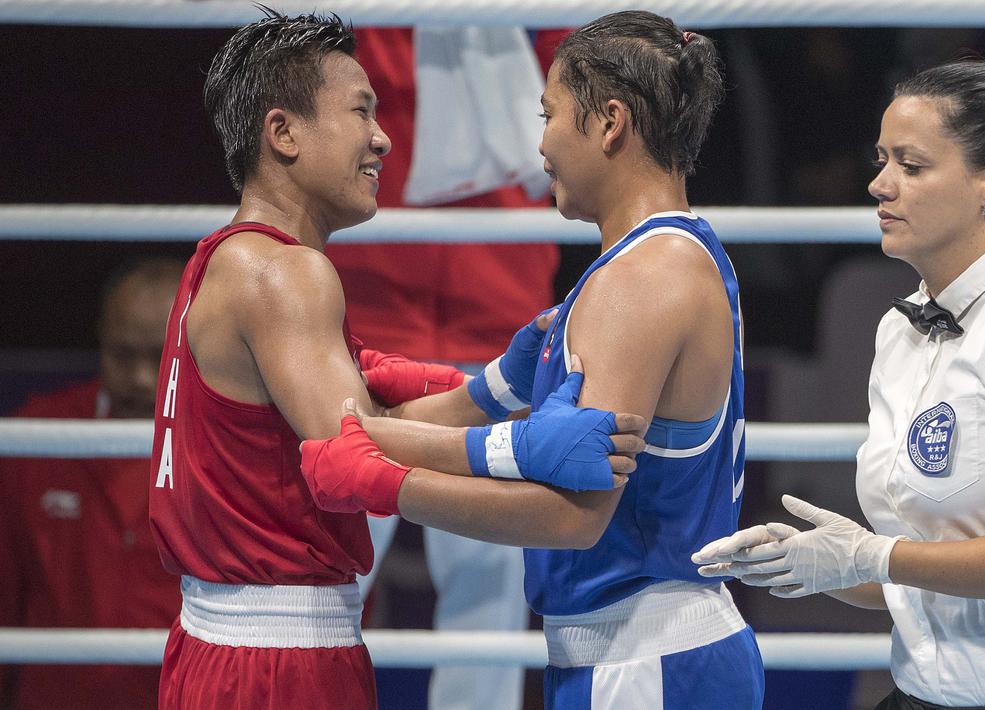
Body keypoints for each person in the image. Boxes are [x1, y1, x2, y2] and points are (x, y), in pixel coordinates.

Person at [149, 10, 643, 709]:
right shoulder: (285, 277)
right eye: (360, 111)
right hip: (273, 665)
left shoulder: (235, 257)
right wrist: (521, 453)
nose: (383, 139)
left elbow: (363, 417)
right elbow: (354, 458)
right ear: (283, 132)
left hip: (232, 647)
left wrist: (498, 388)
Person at [315, 10, 765, 708]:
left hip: (646, 662)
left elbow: (572, 516)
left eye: (550, 113)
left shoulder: (642, 278)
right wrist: (436, 407)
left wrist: (379, 465)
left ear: (609, 122)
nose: (541, 142)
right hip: (626, 654)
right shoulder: (648, 261)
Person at [695, 60, 985, 709]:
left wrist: (872, 555)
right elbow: (921, 572)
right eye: (881, 160)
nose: (879, 184)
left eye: (910, 166)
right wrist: (816, 564)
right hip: (921, 692)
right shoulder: (898, 330)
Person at [330, 26, 570, 710]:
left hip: (499, 317)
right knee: (327, 567)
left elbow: (600, 68)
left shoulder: (538, 17)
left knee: (489, 580)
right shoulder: (365, 23)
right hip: (364, 319)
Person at [0, 259, 183, 710]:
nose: (141, 378)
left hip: (180, 695)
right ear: (100, 336)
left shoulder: (228, 442)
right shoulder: (38, 432)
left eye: (158, 356)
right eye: (124, 354)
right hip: (54, 695)